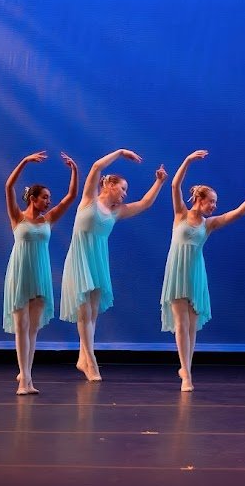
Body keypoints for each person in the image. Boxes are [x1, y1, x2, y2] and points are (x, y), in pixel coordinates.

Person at [160, 150, 245, 392]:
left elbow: (237, 213)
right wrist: (187, 160)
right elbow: (175, 185)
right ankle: (185, 373)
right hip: (177, 271)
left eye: (215, 203)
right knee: (181, 322)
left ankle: (187, 367)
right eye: (212, 201)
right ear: (199, 199)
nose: (214, 206)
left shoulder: (208, 225)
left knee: (192, 324)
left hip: (196, 273)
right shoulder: (180, 215)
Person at [60, 149, 166, 381]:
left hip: (98, 261)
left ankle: (82, 357)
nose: (126, 194)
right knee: (84, 311)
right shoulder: (89, 200)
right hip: (80, 258)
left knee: (93, 313)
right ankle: (91, 361)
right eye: (123, 188)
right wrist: (120, 152)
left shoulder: (116, 212)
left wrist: (158, 182)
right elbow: (97, 166)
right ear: (109, 186)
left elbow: (145, 203)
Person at [3, 151, 78, 395]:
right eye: (45, 197)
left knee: (33, 329)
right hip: (20, 273)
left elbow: (71, 197)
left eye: (49, 198)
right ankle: (24, 379)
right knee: (21, 325)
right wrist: (24, 161)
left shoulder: (48, 220)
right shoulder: (17, 217)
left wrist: (74, 171)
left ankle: (27, 375)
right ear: (32, 199)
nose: (48, 201)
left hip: (40, 275)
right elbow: (9, 186)